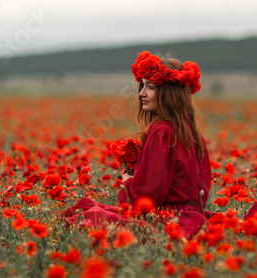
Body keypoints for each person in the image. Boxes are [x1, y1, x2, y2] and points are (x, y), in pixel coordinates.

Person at [59, 51, 214, 237]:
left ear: (169, 92)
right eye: (142, 86)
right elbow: (201, 190)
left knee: (82, 217)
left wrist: (128, 182)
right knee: (85, 209)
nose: (141, 93)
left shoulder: (161, 131)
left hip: (167, 221)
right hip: (191, 219)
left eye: (150, 87)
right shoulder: (193, 134)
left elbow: (147, 197)